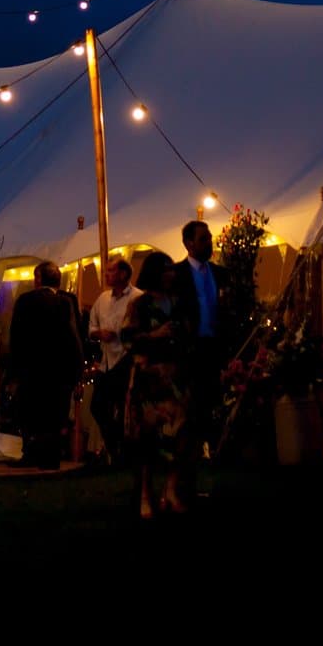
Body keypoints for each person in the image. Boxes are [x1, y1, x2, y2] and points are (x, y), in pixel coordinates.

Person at [123, 250, 189, 518]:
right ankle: (145, 495)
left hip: (176, 377)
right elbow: (128, 338)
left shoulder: (179, 303)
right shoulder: (140, 304)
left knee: (179, 436)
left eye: (172, 270)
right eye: (166, 269)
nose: (171, 274)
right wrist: (155, 335)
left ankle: (171, 491)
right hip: (150, 379)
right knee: (147, 440)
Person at [10, 262, 85, 469]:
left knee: (31, 412)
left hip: (31, 369)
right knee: (55, 414)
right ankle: (50, 456)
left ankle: (32, 453)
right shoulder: (67, 301)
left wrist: (14, 370)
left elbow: (16, 337)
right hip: (60, 369)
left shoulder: (26, 301)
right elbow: (75, 336)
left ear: (38, 279)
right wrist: (78, 369)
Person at [176, 221, 225, 468]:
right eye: (204, 239)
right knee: (193, 401)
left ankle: (215, 446)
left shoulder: (217, 272)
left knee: (214, 397)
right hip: (191, 348)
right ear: (188, 244)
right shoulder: (178, 274)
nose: (209, 242)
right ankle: (194, 449)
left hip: (214, 345)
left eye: (209, 237)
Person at [87, 257, 141, 464]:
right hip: (106, 361)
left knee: (122, 406)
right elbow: (91, 328)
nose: (106, 274)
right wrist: (99, 333)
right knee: (98, 406)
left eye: (111, 271)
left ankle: (122, 453)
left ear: (123, 274)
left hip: (126, 360)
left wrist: (122, 334)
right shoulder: (102, 299)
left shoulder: (137, 298)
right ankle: (116, 446)